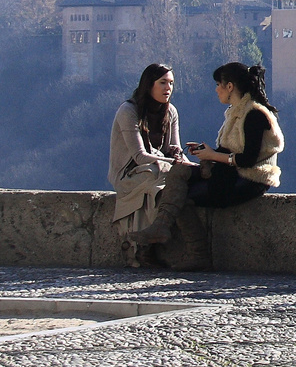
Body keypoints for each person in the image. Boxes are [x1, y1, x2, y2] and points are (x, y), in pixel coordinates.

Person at [129, 62, 285, 270]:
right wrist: (207, 152)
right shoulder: (236, 111)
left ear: (230, 87)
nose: (216, 89)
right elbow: (230, 150)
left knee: (182, 197)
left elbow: (247, 159)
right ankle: (161, 227)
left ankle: (198, 254)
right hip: (231, 173)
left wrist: (213, 155)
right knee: (181, 170)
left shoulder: (254, 114)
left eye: (219, 84)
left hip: (249, 179)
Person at [109, 63, 184, 266]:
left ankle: (146, 247)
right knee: (157, 175)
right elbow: (139, 156)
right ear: (148, 85)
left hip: (156, 171)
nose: (168, 88)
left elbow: (172, 148)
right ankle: (147, 246)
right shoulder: (128, 111)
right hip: (129, 173)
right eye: (162, 83)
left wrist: (182, 160)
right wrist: (171, 163)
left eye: (171, 83)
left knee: (167, 177)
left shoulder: (171, 112)